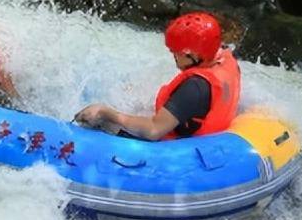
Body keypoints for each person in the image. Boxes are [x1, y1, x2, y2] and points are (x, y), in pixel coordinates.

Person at [74, 12, 240, 140]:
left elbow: (154, 130)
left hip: (177, 146)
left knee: (97, 122)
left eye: (176, 52)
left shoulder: (195, 87)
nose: (173, 55)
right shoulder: (223, 59)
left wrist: (105, 112)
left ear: (193, 55)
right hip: (200, 126)